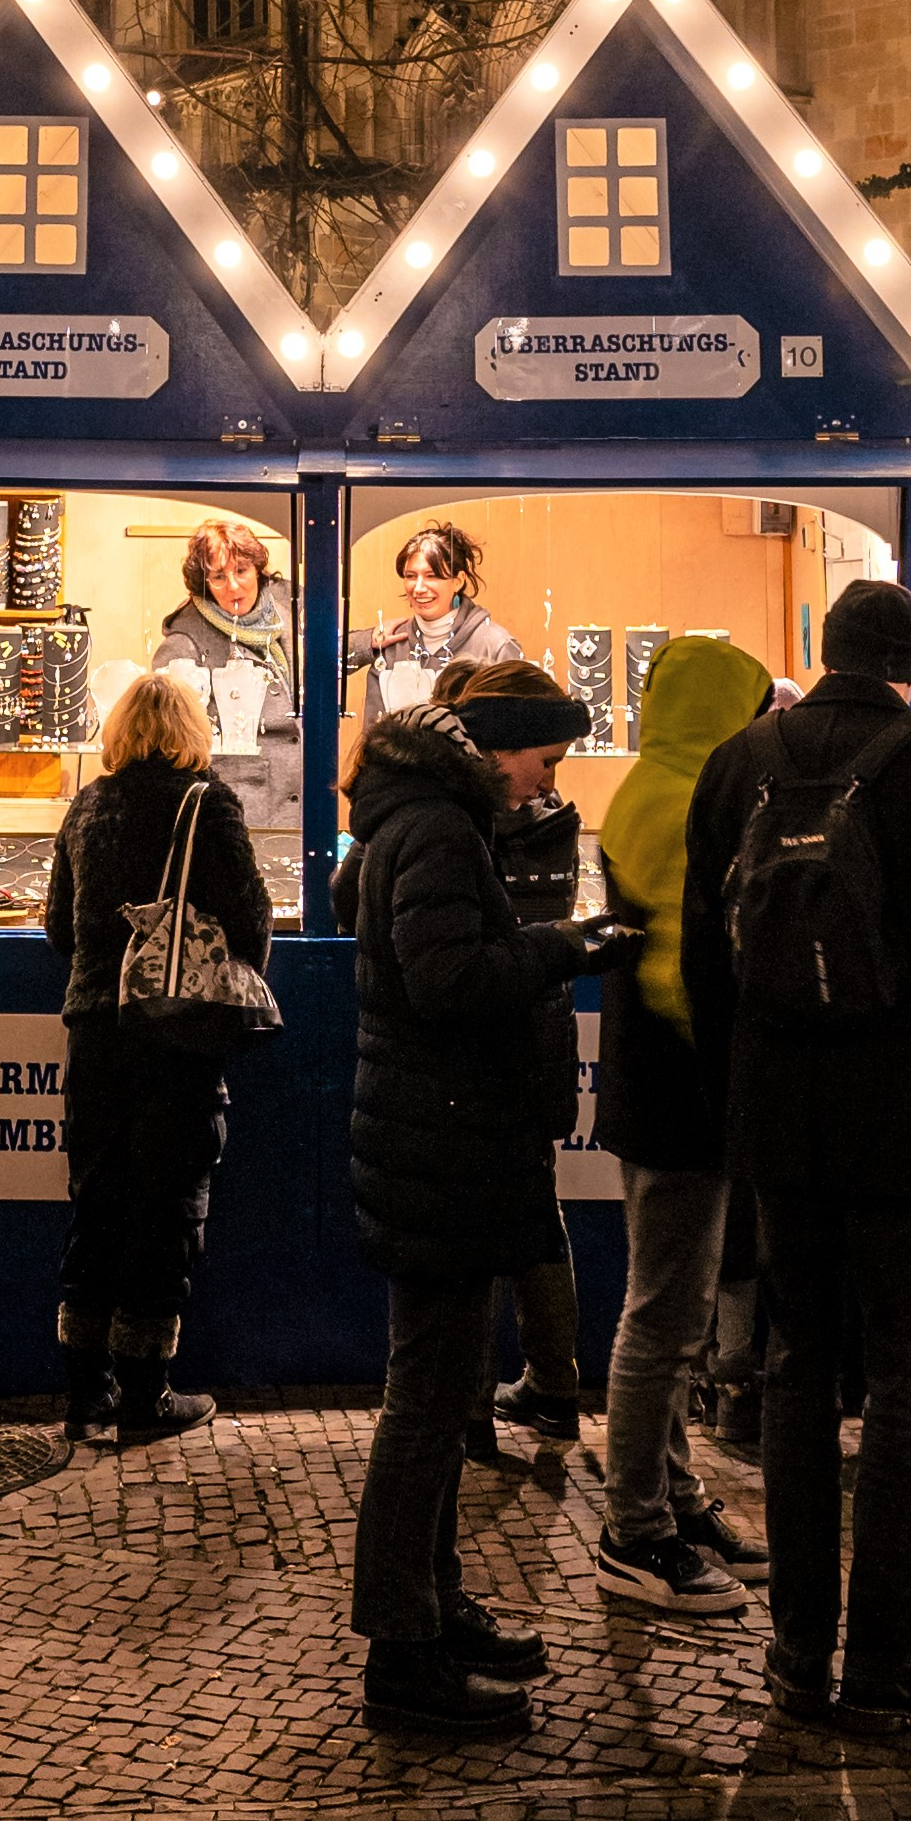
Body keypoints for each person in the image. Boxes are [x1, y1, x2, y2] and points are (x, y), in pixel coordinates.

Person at [682, 579, 911, 1734]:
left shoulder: (736, 764)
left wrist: (735, 1104)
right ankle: (887, 1655)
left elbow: (705, 962)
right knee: (902, 1380)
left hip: (781, 1125)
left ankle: (795, 1652)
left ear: (820, 653)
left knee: (794, 1370)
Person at [341, 686, 631, 1731]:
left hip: (438, 1145)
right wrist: (565, 947)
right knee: (423, 1408)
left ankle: (433, 1605)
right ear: (493, 754)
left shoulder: (414, 822)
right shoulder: (433, 830)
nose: (547, 782)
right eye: (541, 763)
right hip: (440, 1151)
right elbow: (446, 981)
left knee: (436, 1387)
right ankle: (401, 1654)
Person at [586, 634, 776, 1618]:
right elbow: (681, 968)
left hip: (645, 1086)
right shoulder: (695, 798)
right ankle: (634, 1530)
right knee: (664, 1316)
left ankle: (673, 1496)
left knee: (665, 1307)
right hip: (683, 1093)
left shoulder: (642, 784)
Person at [40, 672, 271, 1444]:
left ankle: (84, 1395)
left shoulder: (89, 804)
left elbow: (58, 928)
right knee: (167, 1206)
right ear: (191, 730)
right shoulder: (208, 804)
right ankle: (146, 1393)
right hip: (177, 1034)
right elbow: (249, 921)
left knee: (97, 1199)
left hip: (97, 1031)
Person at [432, 660, 593, 1464]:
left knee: (480, 1229)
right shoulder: (556, 825)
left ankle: (472, 1407)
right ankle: (555, 1386)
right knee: (534, 1215)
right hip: (542, 1038)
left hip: (489, 1049)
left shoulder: (472, 826)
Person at [148, 518, 299, 835]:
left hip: (304, 795)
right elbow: (168, 738)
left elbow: (327, 650)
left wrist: (372, 643)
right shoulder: (183, 643)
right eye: (218, 576)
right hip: (244, 807)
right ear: (203, 583)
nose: (233, 585)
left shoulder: (289, 608)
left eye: (241, 571)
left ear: (257, 568)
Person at [350, 520, 521, 717]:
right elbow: (373, 731)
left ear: (458, 581)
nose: (419, 588)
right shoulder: (391, 646)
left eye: (432, 576)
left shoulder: (496, 645)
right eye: (411, 576)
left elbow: (512, 729)